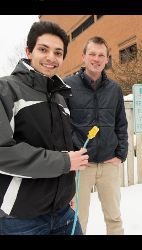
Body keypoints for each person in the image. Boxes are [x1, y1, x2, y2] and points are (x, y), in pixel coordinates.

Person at [0, 21, 89, 235]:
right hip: (21, 220)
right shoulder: (6, 89)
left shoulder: (59, 97)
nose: (51, 57)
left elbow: (61, 147)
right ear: (29, 51)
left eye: (58, 52)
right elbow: (3, 153)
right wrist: (65, 162)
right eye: (43, 49)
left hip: (62, 213)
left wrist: (68, 190)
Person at [64, 36, 128, 235]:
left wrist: (120, 154)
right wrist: (70, 157)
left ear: (107, 59)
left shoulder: (114, 89)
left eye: (101, 55)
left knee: (114, 217)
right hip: (82, 165)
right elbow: (63, 126)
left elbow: (121, 124)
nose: (96, 59)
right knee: (78, 218)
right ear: (83, 57)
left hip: (108, 164)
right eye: (92, 54)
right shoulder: (67, 87)